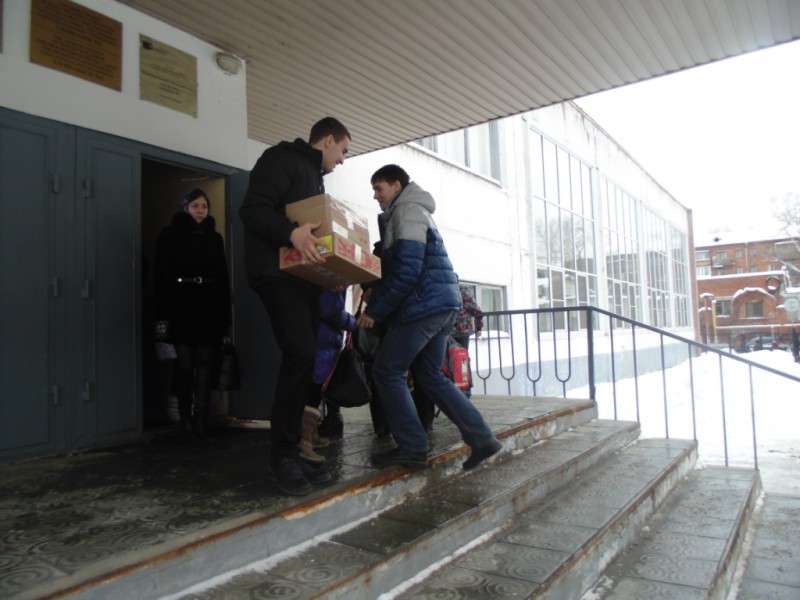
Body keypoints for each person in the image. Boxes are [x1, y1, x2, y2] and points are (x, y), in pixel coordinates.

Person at [357, 164, 502, 471]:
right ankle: (482, 439)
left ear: (396, 185)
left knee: (387, 371)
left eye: (379, 188)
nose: (375, 196)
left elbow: (407, 270)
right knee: (430, 376)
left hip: (422, 306)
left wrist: (375, 310)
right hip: (441, 305)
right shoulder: (412, 210)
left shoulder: (407, 211)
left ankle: (412, 448)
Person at [239, 117, 351, 496]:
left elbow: (311, 237)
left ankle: (294, 449)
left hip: (304, 280)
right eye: (343, 150)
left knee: (305, 357)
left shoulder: (315, 178)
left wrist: (334, 272)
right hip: (275, 274)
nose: (343, 159)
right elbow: (252, 211)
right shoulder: (281, 159)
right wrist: (290, 233)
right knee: (300, 351)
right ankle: (283, 454)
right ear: (328, 140)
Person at [153, 188, 232, 438]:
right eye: (195, 206)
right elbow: (160, 275)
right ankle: (185, 416)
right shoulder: (170, 235)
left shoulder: (214, 238)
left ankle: (201, 418)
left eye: (204, 206)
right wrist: (162, 314)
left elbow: (222, 278)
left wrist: (225, 320)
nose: (200, 211)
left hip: (208, 306)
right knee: (185, 364)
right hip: (181, 305)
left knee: (206, 363)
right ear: (185, 207)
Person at [300, 289, 356, 463]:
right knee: (313, 389)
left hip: (325, 338)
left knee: (316, 388)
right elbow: (330, 310)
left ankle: (311, 433)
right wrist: (353, 322)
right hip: (323, 338)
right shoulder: (330, 280)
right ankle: (304, 440)